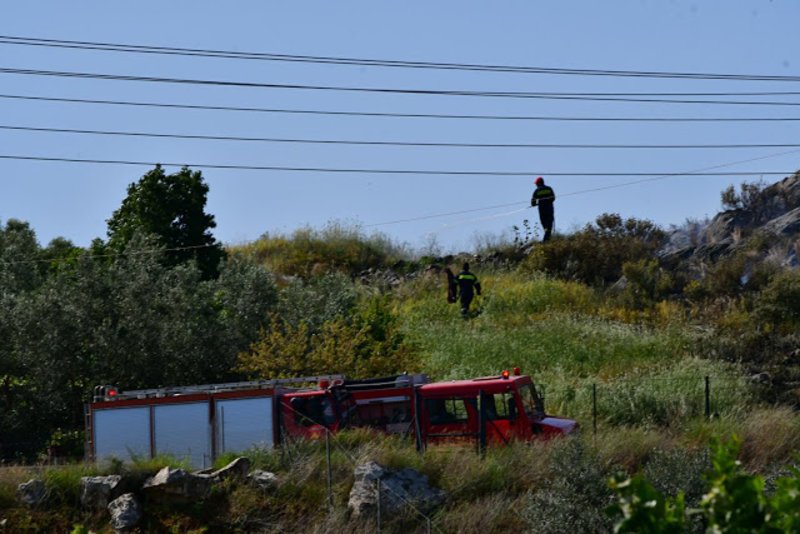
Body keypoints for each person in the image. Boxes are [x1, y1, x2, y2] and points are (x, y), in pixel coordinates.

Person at [530, 176, 556, 242]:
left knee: (545, 225)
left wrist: (536, 203)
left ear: (539, 183)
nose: (536, 185)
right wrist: (548, 201)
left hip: (542, 211)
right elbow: (553, 198)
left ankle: (546, 240)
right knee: (549, 225)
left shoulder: (537, 191)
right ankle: (547, 239)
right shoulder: (549, 188)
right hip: (550, 210)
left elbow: (533, 202)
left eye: (536, 184)